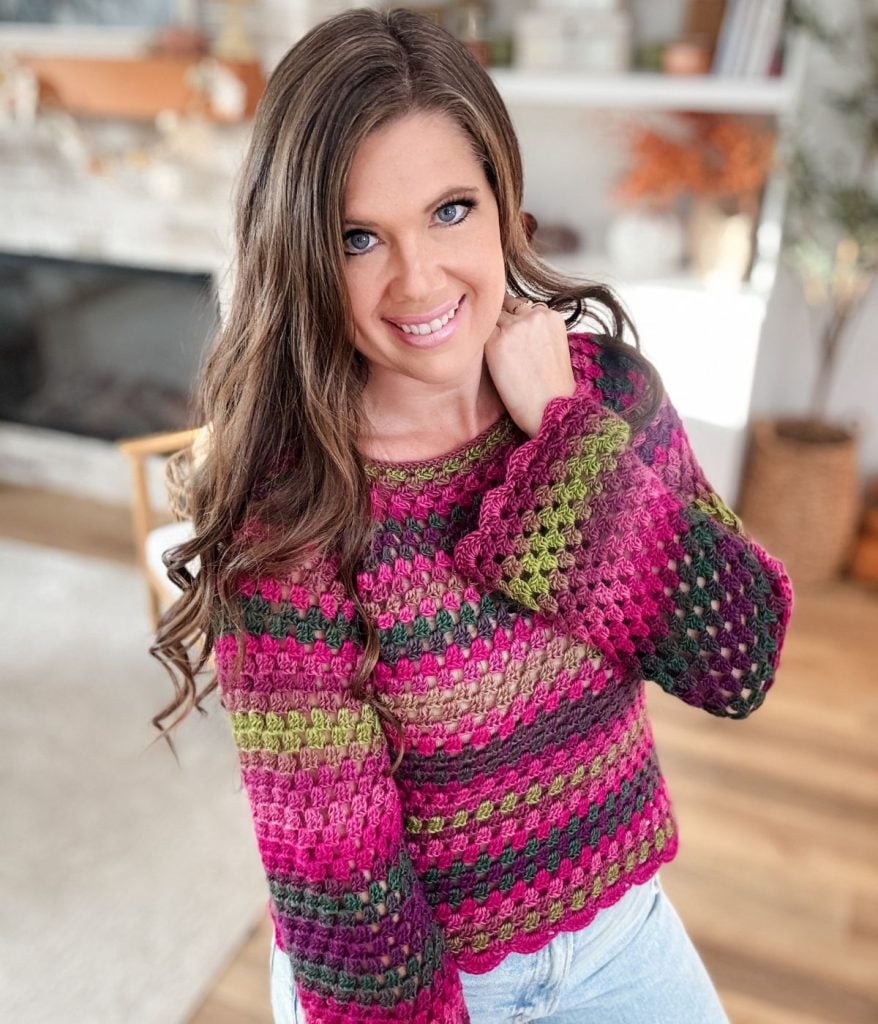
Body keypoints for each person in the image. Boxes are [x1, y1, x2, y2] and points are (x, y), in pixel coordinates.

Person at [151, 8, 794, 1023]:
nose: (418, 279)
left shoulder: (605, 401)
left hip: (623, 938)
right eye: (359, 237)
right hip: (426, 988)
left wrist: (561, 440)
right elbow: (344, 900)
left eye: (450, 210)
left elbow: (739, 652)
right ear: (302, 255)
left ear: (502, 200)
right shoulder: (294, 513)